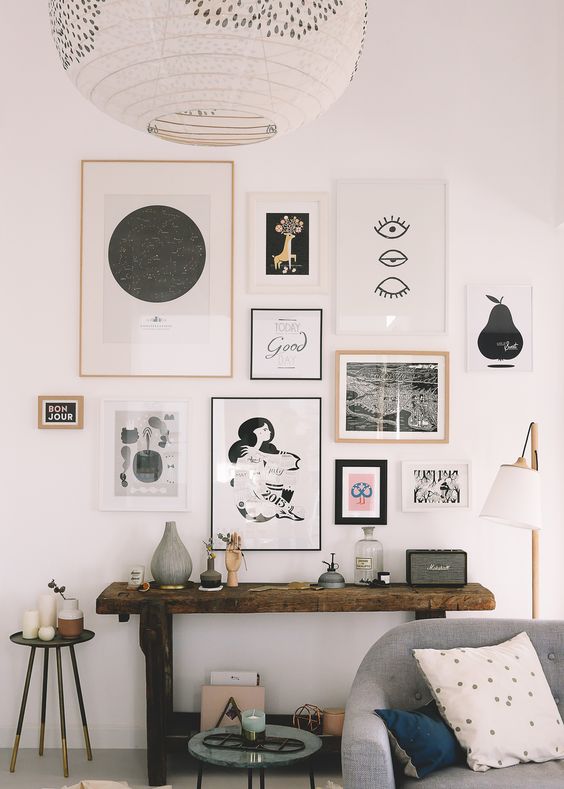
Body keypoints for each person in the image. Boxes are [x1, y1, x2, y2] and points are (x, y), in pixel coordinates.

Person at [228, 417, 304, 522]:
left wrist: (260, 454)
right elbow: (256, 487)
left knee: (289, 468)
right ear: (253, 433)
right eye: (264, 429)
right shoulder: (245, 453)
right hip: (252, 506)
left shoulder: (269, 450)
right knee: (259, 482)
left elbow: (295, 461)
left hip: (270, 500)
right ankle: (285, 508)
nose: (269, 432)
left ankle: (282, 509)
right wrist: (289, 508)